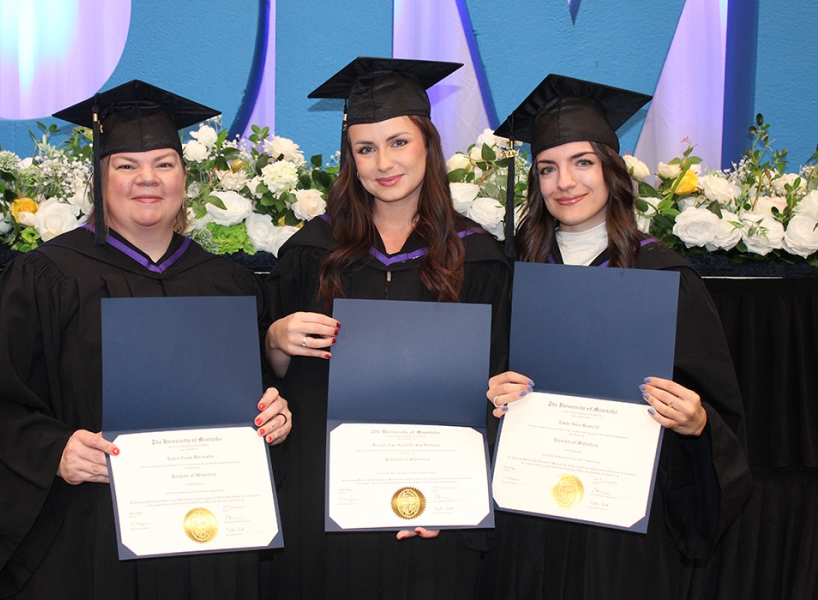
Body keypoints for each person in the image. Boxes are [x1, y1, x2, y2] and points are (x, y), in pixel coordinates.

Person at [0, 80, 291, 600]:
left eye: (164, 163)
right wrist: (54, 448)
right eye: (126, 165)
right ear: (98, 180)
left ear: (185, 178)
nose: (147, 179)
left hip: (212, 533)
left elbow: (250, 393)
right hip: (92, 534)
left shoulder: (225, 281)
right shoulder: (48, 276)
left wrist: (273, 412)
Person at [486, 74, 753, 600]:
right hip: (523, 523)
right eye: (547, 168)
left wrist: (696, 421)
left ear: (611, 168)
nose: (565, 181)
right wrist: (489, 392)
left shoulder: (663, 274)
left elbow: (718, 415)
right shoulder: (512, 272)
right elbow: (473, 388)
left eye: (582, 162)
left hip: (623, 523)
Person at [263, 58, 511, 599]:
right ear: (350, 158)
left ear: (427, 143)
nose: (384, 163)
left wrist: (452, 494)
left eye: (398, 142)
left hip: (434, 504)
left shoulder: (480, 259)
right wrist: (275, 341)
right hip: (326, 495)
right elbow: (270, 384)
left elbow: (498, 392)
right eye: (366, 149)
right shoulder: (312, 252)